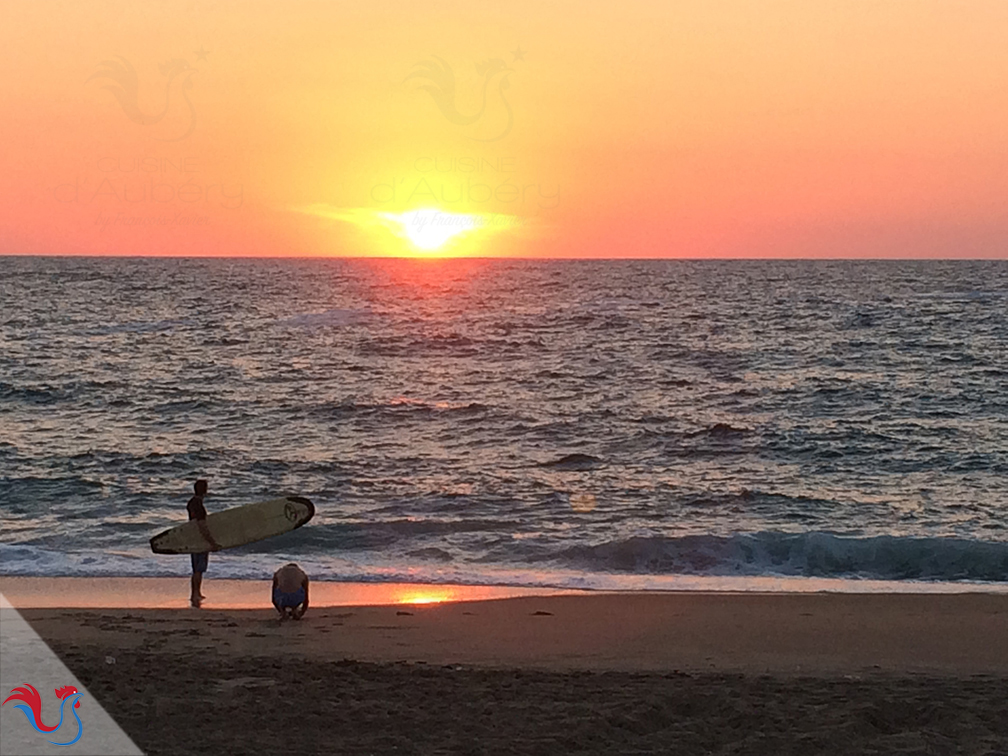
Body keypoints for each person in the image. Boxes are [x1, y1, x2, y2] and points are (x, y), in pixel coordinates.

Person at [187, 479, 221, 607]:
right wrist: (211, 542)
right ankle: (195, 594)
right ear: (203, 490)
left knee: (196, 568)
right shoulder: (199, 506)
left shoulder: (191, 502)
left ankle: (195, 593)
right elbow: (202, 525)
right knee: (199, 569)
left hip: (193, 538)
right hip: (200, 540)